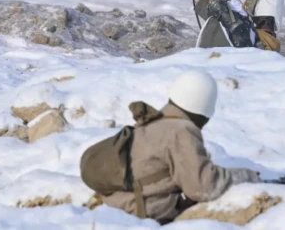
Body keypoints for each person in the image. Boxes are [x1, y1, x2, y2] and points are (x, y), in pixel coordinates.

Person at [95, 70, 261, 223]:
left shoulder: (153, 120)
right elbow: (203, 186)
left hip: (118, 206)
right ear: (205, 107)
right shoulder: (181, 131)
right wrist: (246, 176)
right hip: (143, 215)